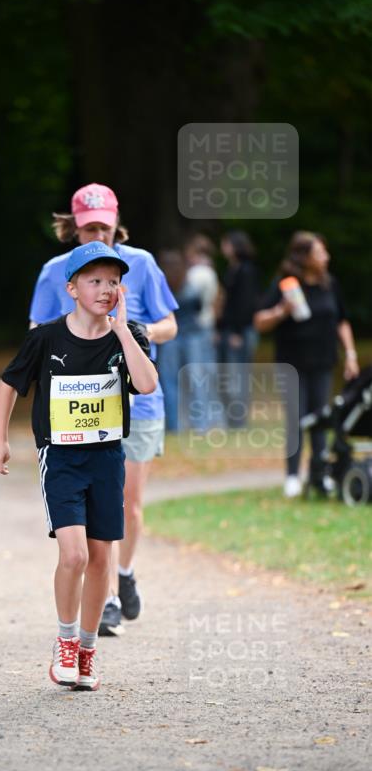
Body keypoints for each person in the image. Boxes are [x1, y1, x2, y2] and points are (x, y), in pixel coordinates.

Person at [0, 241, 158, 691]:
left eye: (114, 282)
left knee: (102, 558)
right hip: (61, 458)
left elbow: (145, 384)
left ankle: (86, 650)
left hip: (108, 458)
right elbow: (10, 383)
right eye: (94, 280)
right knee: (76, 554)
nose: (105, 289)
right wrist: (0, 440)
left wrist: (123, 332)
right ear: (72, 288)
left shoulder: (129, 335)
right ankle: (65, 642)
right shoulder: (46, 337)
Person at [28, 183, 177, 636]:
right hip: (81, 407)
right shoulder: (56, 271)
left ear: (116, 225)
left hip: (138, 401)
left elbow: (170, 323)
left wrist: (131, 332)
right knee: (96, 505)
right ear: (72, 228)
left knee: (129, 504)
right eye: (89, 226)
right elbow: (37, 327)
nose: (98, 233)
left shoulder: (142, 265)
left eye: (105, 227)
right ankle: (107, 596)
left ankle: (124, 574)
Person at [254, 231, 360, 497]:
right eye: (320, 252)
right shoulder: (285, 284)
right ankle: (292, 475)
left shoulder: (329, 284)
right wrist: (282, 311)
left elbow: (342, 321)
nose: (326, 257)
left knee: (320, 419)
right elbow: (259, 321)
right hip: (292, 363)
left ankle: (319, 473)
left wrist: (350, 353)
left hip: (323, 361)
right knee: (296, 418)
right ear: (304, 257)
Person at [156, 250, 210, 431]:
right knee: (197, 381)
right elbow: (199, 306)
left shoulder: (161, 288)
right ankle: (200, 424)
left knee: (170, 381)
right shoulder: (189, 285)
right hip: (193, 335)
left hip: (170, 336)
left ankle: (174, 424)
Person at [218, 230, 260, 427]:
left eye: (226, 243)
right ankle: (233, 419)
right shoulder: (233, 268)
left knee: (237, 377)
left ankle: (238, 421)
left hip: (241, 331)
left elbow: (245, 303)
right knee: (230, 377)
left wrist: (236, 331)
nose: (223, 247)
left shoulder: (246, 270)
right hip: (231, 330)